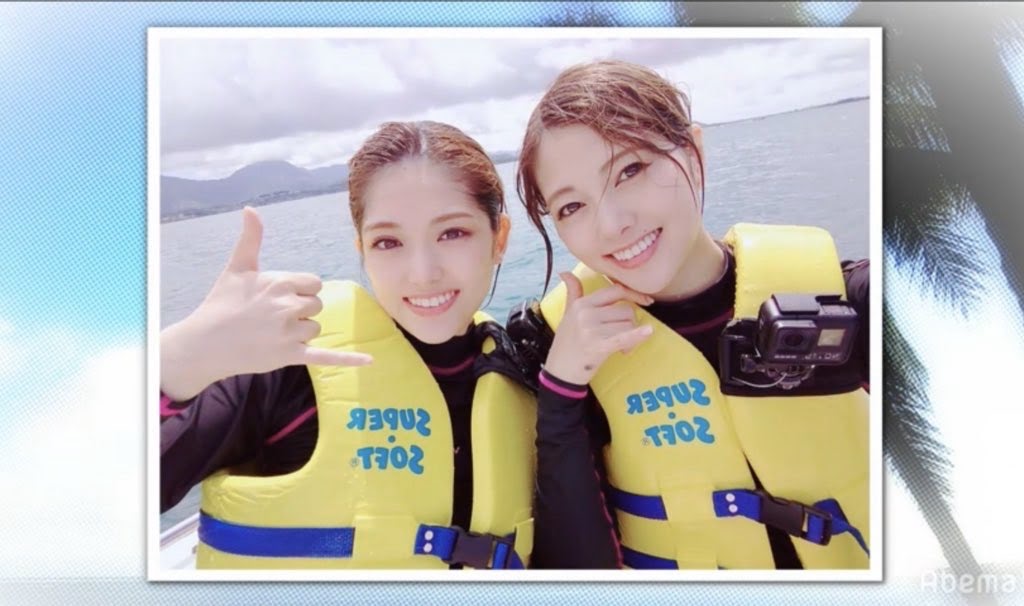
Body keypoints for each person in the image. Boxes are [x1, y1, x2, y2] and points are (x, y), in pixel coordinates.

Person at [509, 60, 870, 570]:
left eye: (631, 170)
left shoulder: (851, 297)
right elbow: (576, 568)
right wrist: (562, 393)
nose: (612, 224)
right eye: (571, 207)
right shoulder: (555, 352)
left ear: (694, 151)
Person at [160, 121, 537, 570]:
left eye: (452, 233)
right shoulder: (291, 369)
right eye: (388, 242)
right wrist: (182, 357)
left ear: (499, 238)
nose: (422, 273)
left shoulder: (527, 369)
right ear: (362, 249)